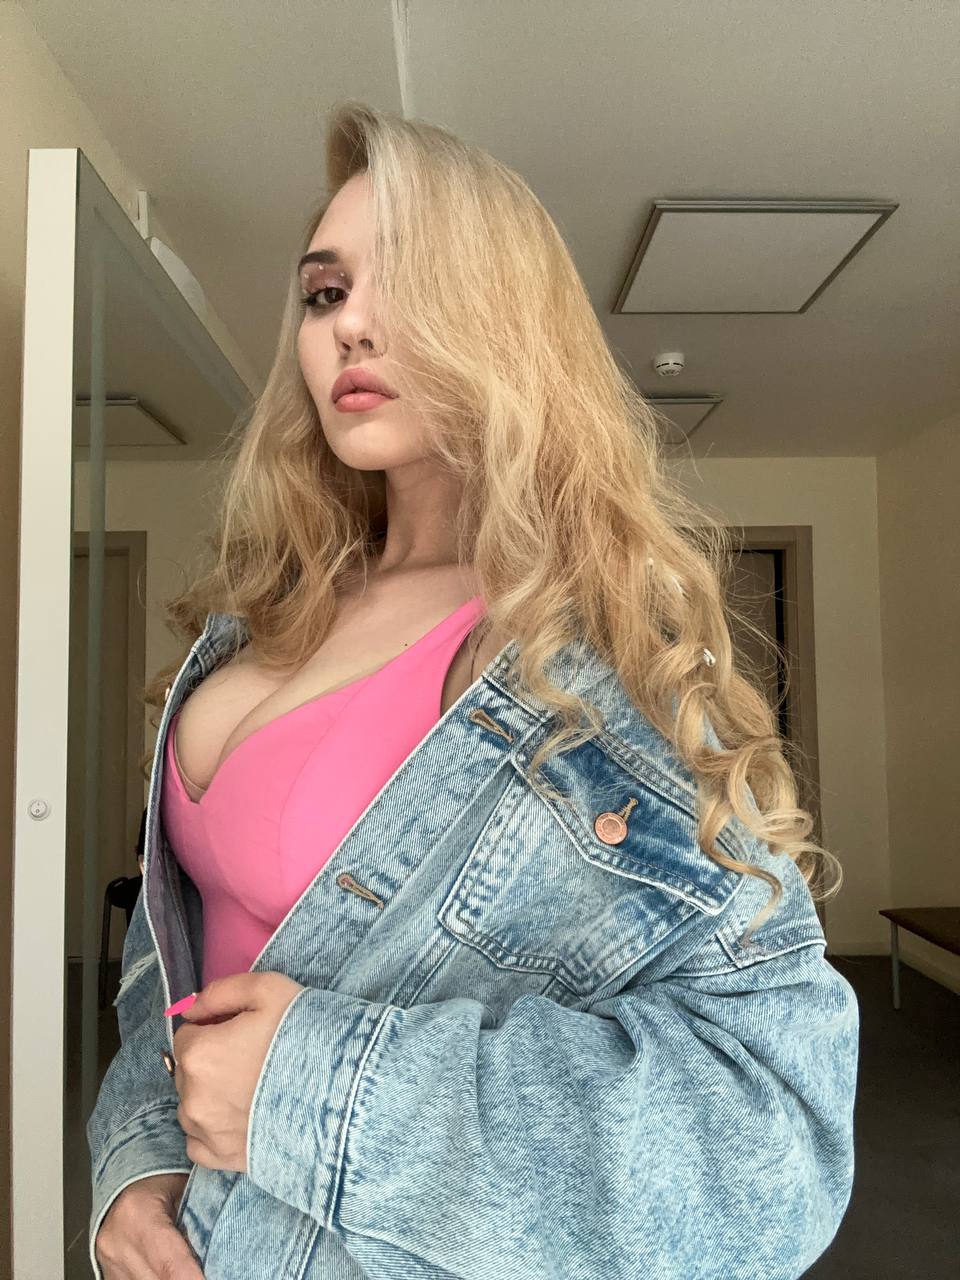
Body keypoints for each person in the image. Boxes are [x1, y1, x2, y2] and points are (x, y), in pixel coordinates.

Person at [87, 99, 859, 1280]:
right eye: (325, 292)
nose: (350, 326)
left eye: (410, 282)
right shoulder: (265, 614)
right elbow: (177, 957)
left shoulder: (593, 665)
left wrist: (317, 1094)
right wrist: (136, 1159)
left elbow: (774, 1138)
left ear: (505, 317)